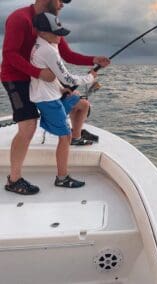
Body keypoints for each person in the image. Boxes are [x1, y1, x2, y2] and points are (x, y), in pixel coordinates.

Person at [1, 0, 110, 195]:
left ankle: (73, 137)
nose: (62, 5)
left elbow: (66, 54)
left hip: (42, 80)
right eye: (60, 0)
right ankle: (14, 180)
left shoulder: (50, 22)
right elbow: (9, 55)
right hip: (16, 79)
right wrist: (38, 73)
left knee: (80, 103)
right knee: (28, 126)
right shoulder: (20, 18)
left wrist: (93, 60)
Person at [30, 12, 96, 188]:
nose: (60, 36)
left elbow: (57, 78)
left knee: (82, 104)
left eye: (60, 32)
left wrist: (60, 88)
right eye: (56, 32)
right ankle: (62, 178)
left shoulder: (43, 44)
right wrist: (89, 78)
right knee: (64, 137)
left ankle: (77, 137)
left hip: (51, 94)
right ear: (42, 32)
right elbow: (68, 78)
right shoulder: (47, 49)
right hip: (48, 100)